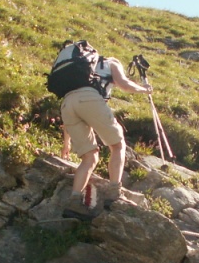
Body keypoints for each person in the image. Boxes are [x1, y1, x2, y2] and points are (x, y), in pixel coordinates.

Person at [60, 50, 151, 220]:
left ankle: (74, 202)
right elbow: (124, 84)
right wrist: (144, 89)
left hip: (67, 104)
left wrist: (67, 143)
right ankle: (114, 193)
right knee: (118, 145)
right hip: (90, 100)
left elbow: (73, 110)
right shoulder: (112, 62)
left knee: (89, 157)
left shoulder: (81, 68)